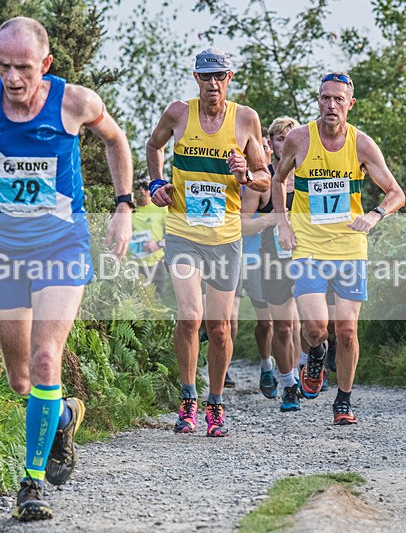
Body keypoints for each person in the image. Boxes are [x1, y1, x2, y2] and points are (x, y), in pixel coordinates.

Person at [0, 17, 133, 520]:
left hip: (62, 246)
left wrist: (123, 206)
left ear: (45, 64)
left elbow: (115, 141)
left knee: (47, 359)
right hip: (3, 249)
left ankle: (32, 483)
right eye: (3, 66)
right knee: (21, 380)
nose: (13, 78)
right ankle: (63, 414)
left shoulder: (75, 102)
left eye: (23, 67)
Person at [146, 48, 270, 437]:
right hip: (183, 231)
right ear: (195, 78)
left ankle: (215, 403)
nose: (212, 83)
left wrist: (246, 175)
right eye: (205, 76)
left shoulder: (246, 119)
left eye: (219, 76)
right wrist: (156, 182)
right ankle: (188, 398)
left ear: (229, 77)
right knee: (189, 315)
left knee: (219, 328)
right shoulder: (177, 113)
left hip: (225, 237)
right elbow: (153, 146)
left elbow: (266, 178)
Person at [273, 72, 405, 425]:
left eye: (338, 99)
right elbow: (278, 180)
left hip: (349, 245)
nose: (331, 105)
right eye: (324, 98)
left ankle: (343, 400)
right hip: (308, 246)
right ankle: (315, 354)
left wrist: (375, 215)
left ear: (350, 104)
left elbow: (396, 193)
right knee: (316, 327)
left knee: (346, 331)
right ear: (318, 101)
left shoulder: (362, 144)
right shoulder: (299, 139)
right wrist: (283, 223)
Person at [243, 116, 304, 412]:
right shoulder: (263, 181)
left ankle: (310, 363)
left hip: (308, 255)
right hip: (272, 258)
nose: (286, 143)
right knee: (280, 327)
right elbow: (241, 224)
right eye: (281, 139)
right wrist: (272, 220)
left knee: (312, 324)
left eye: (292, 137)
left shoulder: (308, 176)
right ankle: (289, 383)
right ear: (272, 144)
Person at [232, 126, 275, 400]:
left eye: (266, 147)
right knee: (227, 319)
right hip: (232, 256)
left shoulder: (277, 181)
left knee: (267, 322)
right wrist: (269, 220)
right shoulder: (238, 176)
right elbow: (240, 223)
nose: (264, 151)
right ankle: (221, 368)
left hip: (262, 259)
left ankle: (267, 365)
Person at [130, 179, 167, 297]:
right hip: (132, 264)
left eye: (145, 188)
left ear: (149, 190)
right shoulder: (127, 209)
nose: (142, 191)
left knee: (155, 301)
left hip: (155, 265)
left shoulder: (160, 208)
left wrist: (158, 244)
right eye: (138, 188)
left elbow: (175, 235)